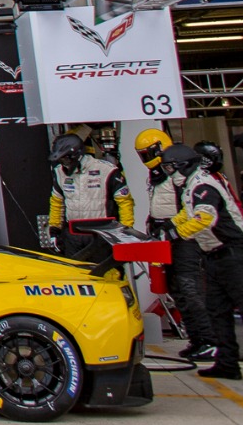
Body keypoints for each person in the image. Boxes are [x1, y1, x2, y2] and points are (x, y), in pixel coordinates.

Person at [164, 145, 243, 386]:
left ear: (183, 165)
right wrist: (168, 223)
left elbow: (204, 218)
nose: (169, 173)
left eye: (170, 168)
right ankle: (227, 363)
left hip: (234, 255)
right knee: (217, 313)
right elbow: (188, 213)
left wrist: (174, 233)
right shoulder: (191, 185)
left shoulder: (204, 185)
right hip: (213, 257)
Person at [136, 129, 217, 360]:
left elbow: (192, 208)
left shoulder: (182, 172)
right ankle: (196, 338)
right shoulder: (156, 174)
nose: (145, 157)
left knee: (189, 288)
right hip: (166, 234)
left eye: (147, 152)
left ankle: (210, 339)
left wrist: (175, 229)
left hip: (184, 238)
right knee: (176, 290)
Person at [47, 133, 133, 263]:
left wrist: (125, 231)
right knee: (74, 276)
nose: (63, 164)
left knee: (107, 275)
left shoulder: (106, 170)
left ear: (77, 155)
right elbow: (57, 202)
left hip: (101, 235)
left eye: (65, 160)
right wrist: (54, 230)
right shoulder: (59, 173)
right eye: (60, 160)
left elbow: (125, 202)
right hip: (73, 236)